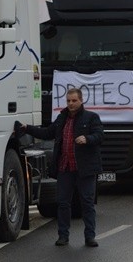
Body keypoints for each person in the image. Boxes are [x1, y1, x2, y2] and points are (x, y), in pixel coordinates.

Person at [17, 88, 104, 247]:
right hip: (65, 168)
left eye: (74, 101)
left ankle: (90, 237)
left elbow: (100, 136)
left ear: (81, 100)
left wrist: (88, 138)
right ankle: (63, 236)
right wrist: (27, 128)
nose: (71, 104)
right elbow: (46, 133)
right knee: (63, 203)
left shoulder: (91, 117)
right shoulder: (61, 118)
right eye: (68, 101)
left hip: (85, 169)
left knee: (87, 203)